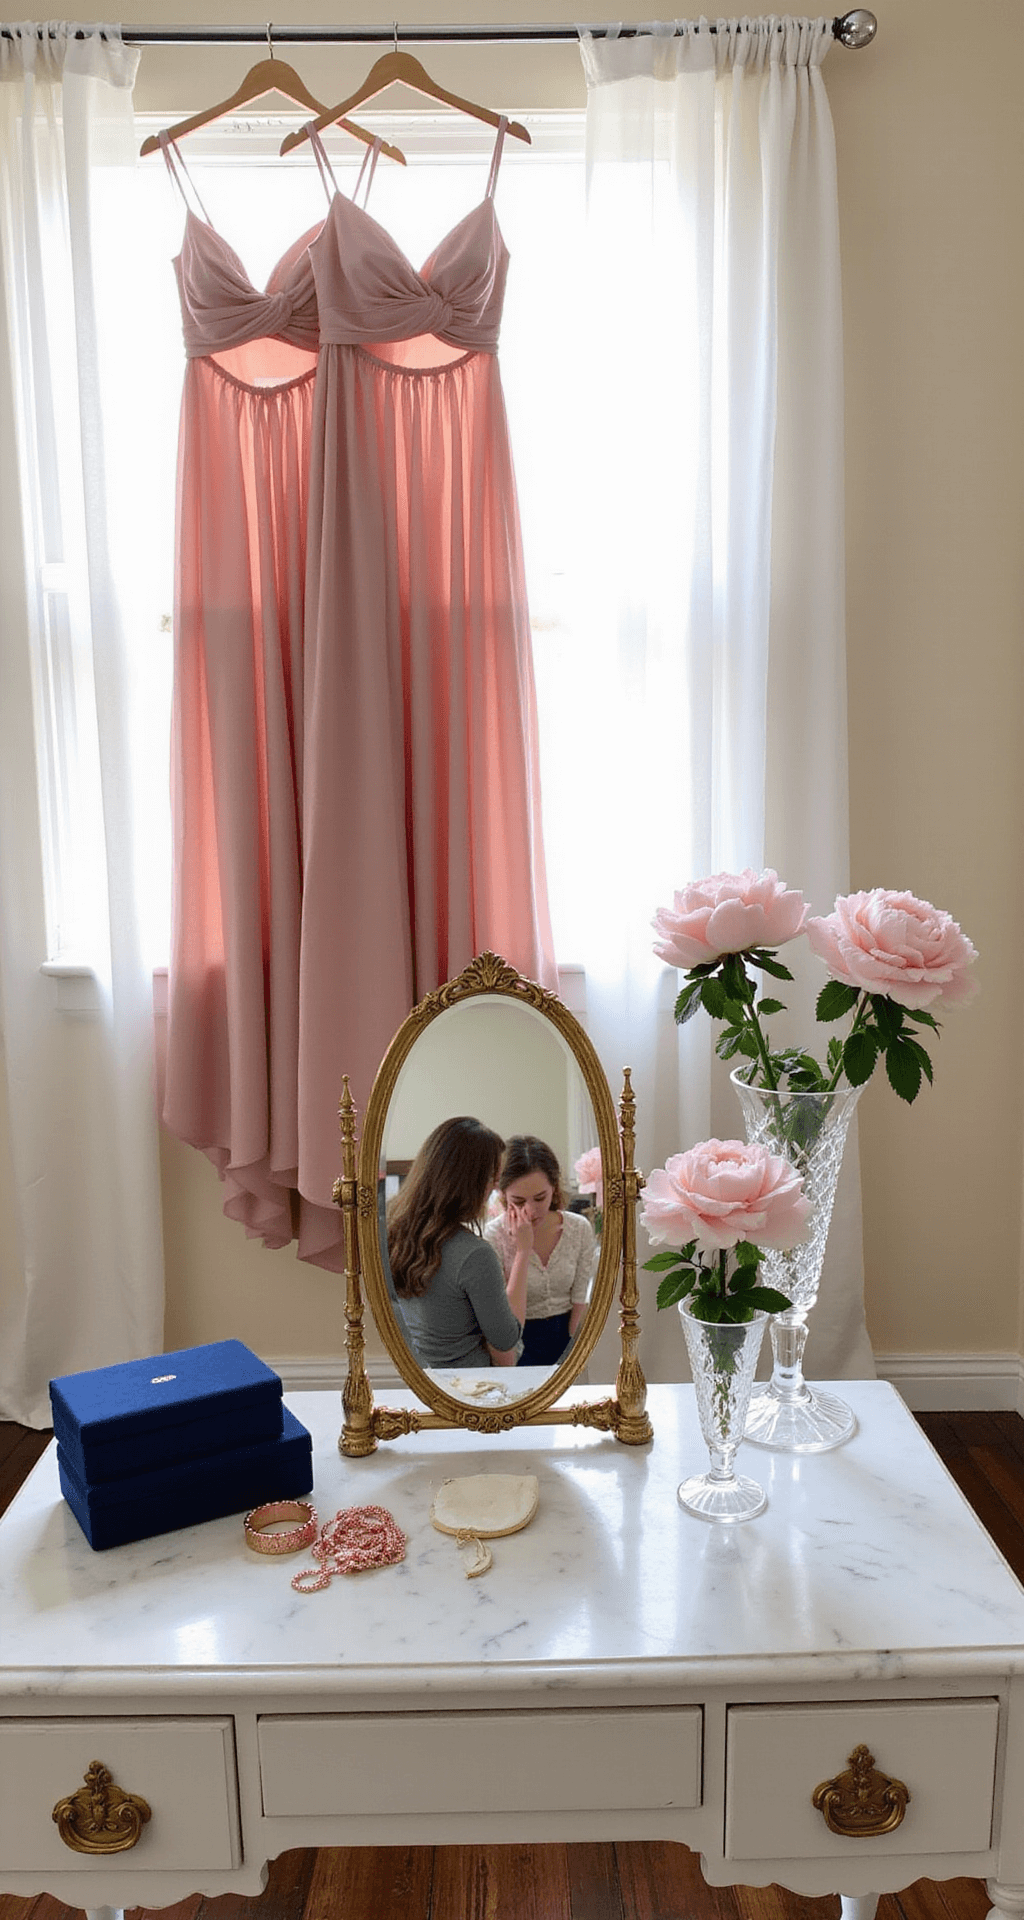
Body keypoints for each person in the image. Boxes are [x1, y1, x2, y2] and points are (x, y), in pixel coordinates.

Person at [388, 1118, 525, 1371]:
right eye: (491, 1179)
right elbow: (506, 1338)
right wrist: (523, 1253)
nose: (495, 1189)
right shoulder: (475, 1255)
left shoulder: (391, 1235)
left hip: (421, 1382)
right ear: (468, 1183)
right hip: (471, 1389)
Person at [485, 1137, 597, 1367]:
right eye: (518, 1200)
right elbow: (501, 1315)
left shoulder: (578, 1229)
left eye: (540, 1198)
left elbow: (579, 1302)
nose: (531, 1210)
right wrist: (522, 1251)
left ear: (554, 1188)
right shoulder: (493, 1236)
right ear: (502, 1194)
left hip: (566, 1337)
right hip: (516, 1345)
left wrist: (574, 1355)